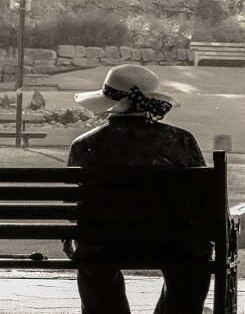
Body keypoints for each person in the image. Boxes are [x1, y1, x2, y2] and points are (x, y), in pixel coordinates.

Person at [65, 64, 211, 314]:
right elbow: (202, 199)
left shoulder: (85, 144)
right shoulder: (181, 140)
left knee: (94, 266)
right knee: (191, 268)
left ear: (110, 102)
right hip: (173, 245)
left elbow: (73, 208)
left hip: (103, 246)